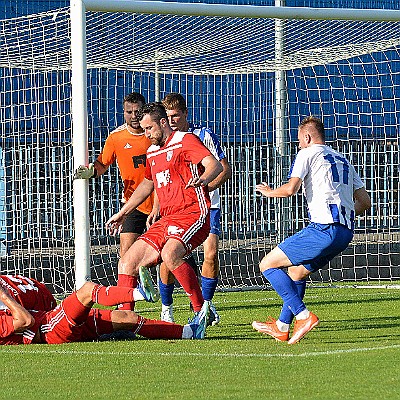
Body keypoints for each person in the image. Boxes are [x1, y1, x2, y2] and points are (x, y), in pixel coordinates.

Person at [252, 116, 371, 344]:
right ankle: (281, 326)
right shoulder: (343, 159)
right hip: (344, 232)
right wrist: (344, 213)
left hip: (323, 229)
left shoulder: (307, 153)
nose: (298, 145)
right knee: (296, 273)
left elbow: (290, 189)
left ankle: (304, 316)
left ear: (307, 137)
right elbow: (364, 202)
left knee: (267, 264)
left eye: (299, 140)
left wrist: (268, 192)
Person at [105, 102, 223, 319]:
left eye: (149, 129)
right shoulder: (152, 152)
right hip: (167, 219)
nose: (146, 134)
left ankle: (200, 312)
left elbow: (215, 165)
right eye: (143, 130)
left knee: (170, 254)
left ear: (162, 122)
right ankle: (125, 320)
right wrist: (123, 212)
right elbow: (147, 184)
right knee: (127, 261)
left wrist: (203, 179)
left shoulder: (185, 140)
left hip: (193, 214)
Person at [149, 93, 231, 324]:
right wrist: (156, 206)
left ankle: (206, 306)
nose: (171, 120)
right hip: (175, 209)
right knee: (168, 257)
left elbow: (224, 169)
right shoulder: (161, 142)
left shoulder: (202, 135)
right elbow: (159, 178)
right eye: (168, 116)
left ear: (185, 113)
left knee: (211, 255)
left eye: (175, 115)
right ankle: (167, 307)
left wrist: (204, 188)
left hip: (206, 207)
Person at [74, 92, 157, 305]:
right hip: (133, 204)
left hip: (160, 203)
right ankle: (126, 306)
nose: (134, 116)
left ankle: (169, 304)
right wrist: (90, 171)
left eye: (138, 111)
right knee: (126, 256)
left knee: (167, 256)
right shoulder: (116, 137)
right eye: (129, 112)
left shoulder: (154, 134)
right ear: (123, 112)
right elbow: (103, 164)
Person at [0, 269, 209, 345]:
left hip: (55, 320)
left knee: (127, 316)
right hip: (51, 330)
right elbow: (26, 321)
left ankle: (190, 332)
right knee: (87, 290)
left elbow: (45, 300)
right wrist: (5, 296)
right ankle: (141, 293)